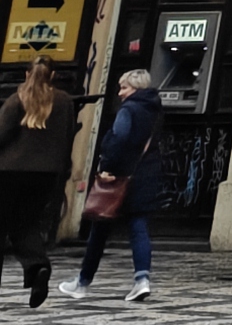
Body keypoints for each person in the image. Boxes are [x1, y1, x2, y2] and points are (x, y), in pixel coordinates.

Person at [58, 66, 166, 304]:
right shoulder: (155, 109)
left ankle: (82, 282)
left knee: (99, 227)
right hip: (144, 174)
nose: (120, 93)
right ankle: (142, 280)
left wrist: (107, 166)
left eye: (124, 87)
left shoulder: (129, 109)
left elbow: (118, 140)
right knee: (138, 227)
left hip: (120, 176)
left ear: (136, 88)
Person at [0, 64, 77, 308]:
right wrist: (64, 168)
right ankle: (38, 266)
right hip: (46, 173)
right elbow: (68, 136)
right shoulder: (64, 102)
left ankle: (34, 268)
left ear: (26, 74)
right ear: (53, 76)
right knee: (26, 222)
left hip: (8, 171)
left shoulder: (17, 99)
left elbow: (2, 134)